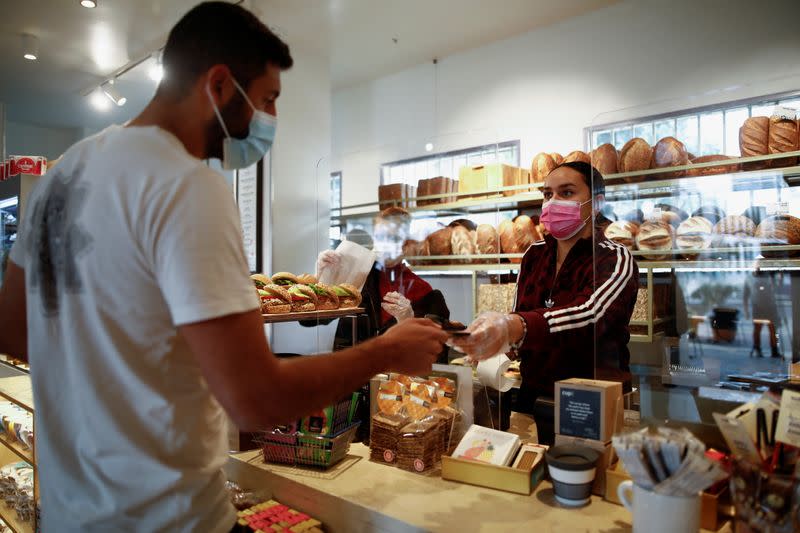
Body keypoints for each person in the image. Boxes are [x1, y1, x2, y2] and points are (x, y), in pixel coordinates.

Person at [0, 3, 447, 532]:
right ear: (218, 85)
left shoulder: (64, 174)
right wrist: (383, 352)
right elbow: (256, 400)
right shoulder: (186, 183)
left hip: (70, 514)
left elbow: (15, 332)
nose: (272, 120)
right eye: (267, 99)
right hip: (169, 519)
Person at [450, 161, 638, 441]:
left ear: (596, 203)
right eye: (548, 194)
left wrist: (514, 326)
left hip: (593, 398)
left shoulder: (614, 258)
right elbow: (521, 316)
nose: (553, 202)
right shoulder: (534, 255)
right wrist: (490, 342)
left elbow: (590, 315)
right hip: (533, 397)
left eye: (567, 192)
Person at [317, 207, 451, 355]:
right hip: (351, 369)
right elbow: (313, 320)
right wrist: (323, 276)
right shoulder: (358, 276)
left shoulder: (423, 291)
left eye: (393, 238)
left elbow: (436, 351)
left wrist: (408, 321)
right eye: (380, 237)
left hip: (395, 375)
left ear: (406, 244)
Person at [743, 262, 783, 358]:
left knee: (772, 329)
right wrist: (746, 310)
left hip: (769, 306)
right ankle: (758, 348)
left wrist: (779, 274)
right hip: (759, 307)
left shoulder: (769, 275)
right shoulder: (750, 277)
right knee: (758, 329)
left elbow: (777, 286)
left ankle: (774, 350)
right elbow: (745, 295)